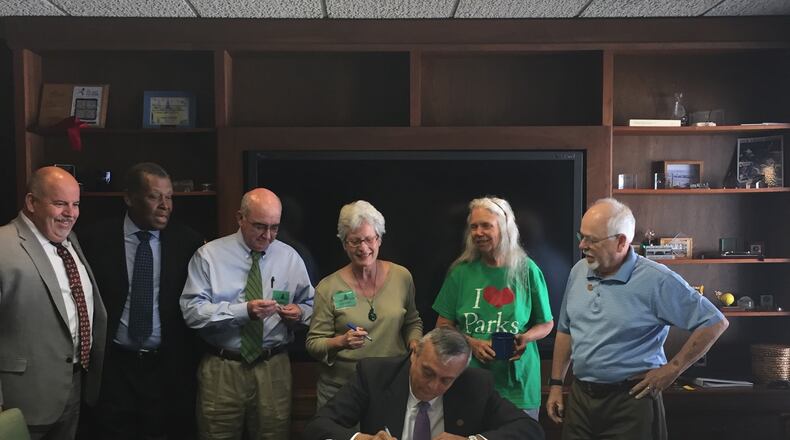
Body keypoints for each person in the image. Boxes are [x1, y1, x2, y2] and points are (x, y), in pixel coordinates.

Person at [546, 198, 729, 440]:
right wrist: (556, 384)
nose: (582, 245)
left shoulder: (657, 280)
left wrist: (672, 370)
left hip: (631, 401)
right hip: (581, 398)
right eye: (582, 236)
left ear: (621, 241)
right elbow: (565, 330)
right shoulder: (578, 271)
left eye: (591, 239)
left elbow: (715, 322)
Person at [80, 163, 205, 439]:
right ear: (129, 198)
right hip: (113, 369)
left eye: (169, 197)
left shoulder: (189, 243)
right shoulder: (94, 240)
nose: (165, 206)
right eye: (154, 196)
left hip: (167, 371)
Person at [180, 187, 314, 440]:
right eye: (260, 226)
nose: (268, 235)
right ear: (240, 218)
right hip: (223, 368)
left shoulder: (290, 257)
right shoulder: (209, 256)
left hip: (273, 368)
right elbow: (192, 313)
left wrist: (300, 314)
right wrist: (243, 312)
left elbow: (311, 305)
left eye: (274, 227)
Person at [0, 166, 107, 440]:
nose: (70, 213)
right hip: (19, 402)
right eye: (59, 204)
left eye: (75, 204)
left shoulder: (69, 240)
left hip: (72, 391)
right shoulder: (3, 246)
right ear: (31, 202)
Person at [303, 327, 544, 440]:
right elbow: (317, 428)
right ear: (415, 353)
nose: (433, 386)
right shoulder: (375, 374)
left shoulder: (475, 384)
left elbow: (530, 431)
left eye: (446, 380)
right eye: (428, 372)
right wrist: (359, 439)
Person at [433, 196, 554, 419]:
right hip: (470, 383)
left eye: (486, 225)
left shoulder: (527, 270)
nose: (478, 232)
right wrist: (471, 343)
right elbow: (442, 326)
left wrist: (525, 338)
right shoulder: (460, 272)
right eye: (474, 227)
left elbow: (546, 323)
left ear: (505, 228)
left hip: (518, 386)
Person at [306, 200, 423, 408]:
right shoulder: (328, 288)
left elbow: (412, 322)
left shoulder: (401, 277)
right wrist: (341, 341)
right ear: (344, 244)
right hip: (342, 390)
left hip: (391, 385)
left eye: (369, 239)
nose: (364, 248)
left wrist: (415, 344)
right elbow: (314, 343)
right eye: (355, 241)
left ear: (379, 240)